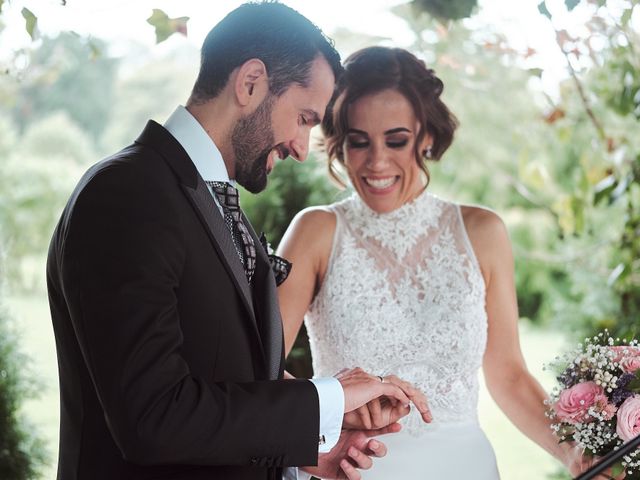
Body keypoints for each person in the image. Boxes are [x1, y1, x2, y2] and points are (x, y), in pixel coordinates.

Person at [46, 6, 431, 480]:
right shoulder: (128, 192)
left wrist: (304, 446)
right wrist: (325, 397)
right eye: (304, 117)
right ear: (251, 82)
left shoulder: (216, 204)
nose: (300, 146)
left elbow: (223, 378)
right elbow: (152, 418)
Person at [277, 46, 595, 478]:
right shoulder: (315, 231)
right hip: (352, 468)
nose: (377, 161)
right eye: (358, 142)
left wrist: (575, 452)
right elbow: (256, 368)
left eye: (396, 139)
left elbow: (508, 374)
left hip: (463, 466)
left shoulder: (482, 232)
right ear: (339, 143)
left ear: (425, 135)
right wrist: (325, 409)